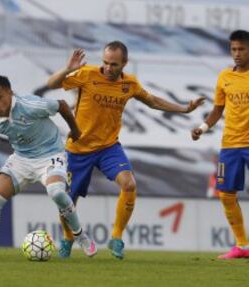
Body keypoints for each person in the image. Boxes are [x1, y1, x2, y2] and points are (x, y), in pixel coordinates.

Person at [47, 41, 205, 259]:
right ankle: (67, 239)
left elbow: (153, 101)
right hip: (78, 148)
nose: (108, 68)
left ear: (124, 63)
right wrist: (68, 68)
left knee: (129, 183)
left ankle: (117, 238)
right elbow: (52, 84)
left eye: (114, 64)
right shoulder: (86, 74)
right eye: (105, 63)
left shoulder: (130, 83)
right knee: (68, 199)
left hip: (108, 147)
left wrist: (185, 109)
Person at [0, 75, 97, 258]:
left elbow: (62, 105)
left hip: (51, 155)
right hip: (22, 159)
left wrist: (76, 131)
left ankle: (81, 236)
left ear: (10, 93)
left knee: (56, 192)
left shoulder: (30, 105)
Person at [191, 30, 249, 259]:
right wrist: (202, 128)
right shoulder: (225, 76)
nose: (237, 54)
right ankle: (242, 246)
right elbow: (217, 110)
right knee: (225, 194)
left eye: (242, 49)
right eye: (233, 49)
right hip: (231, 145)